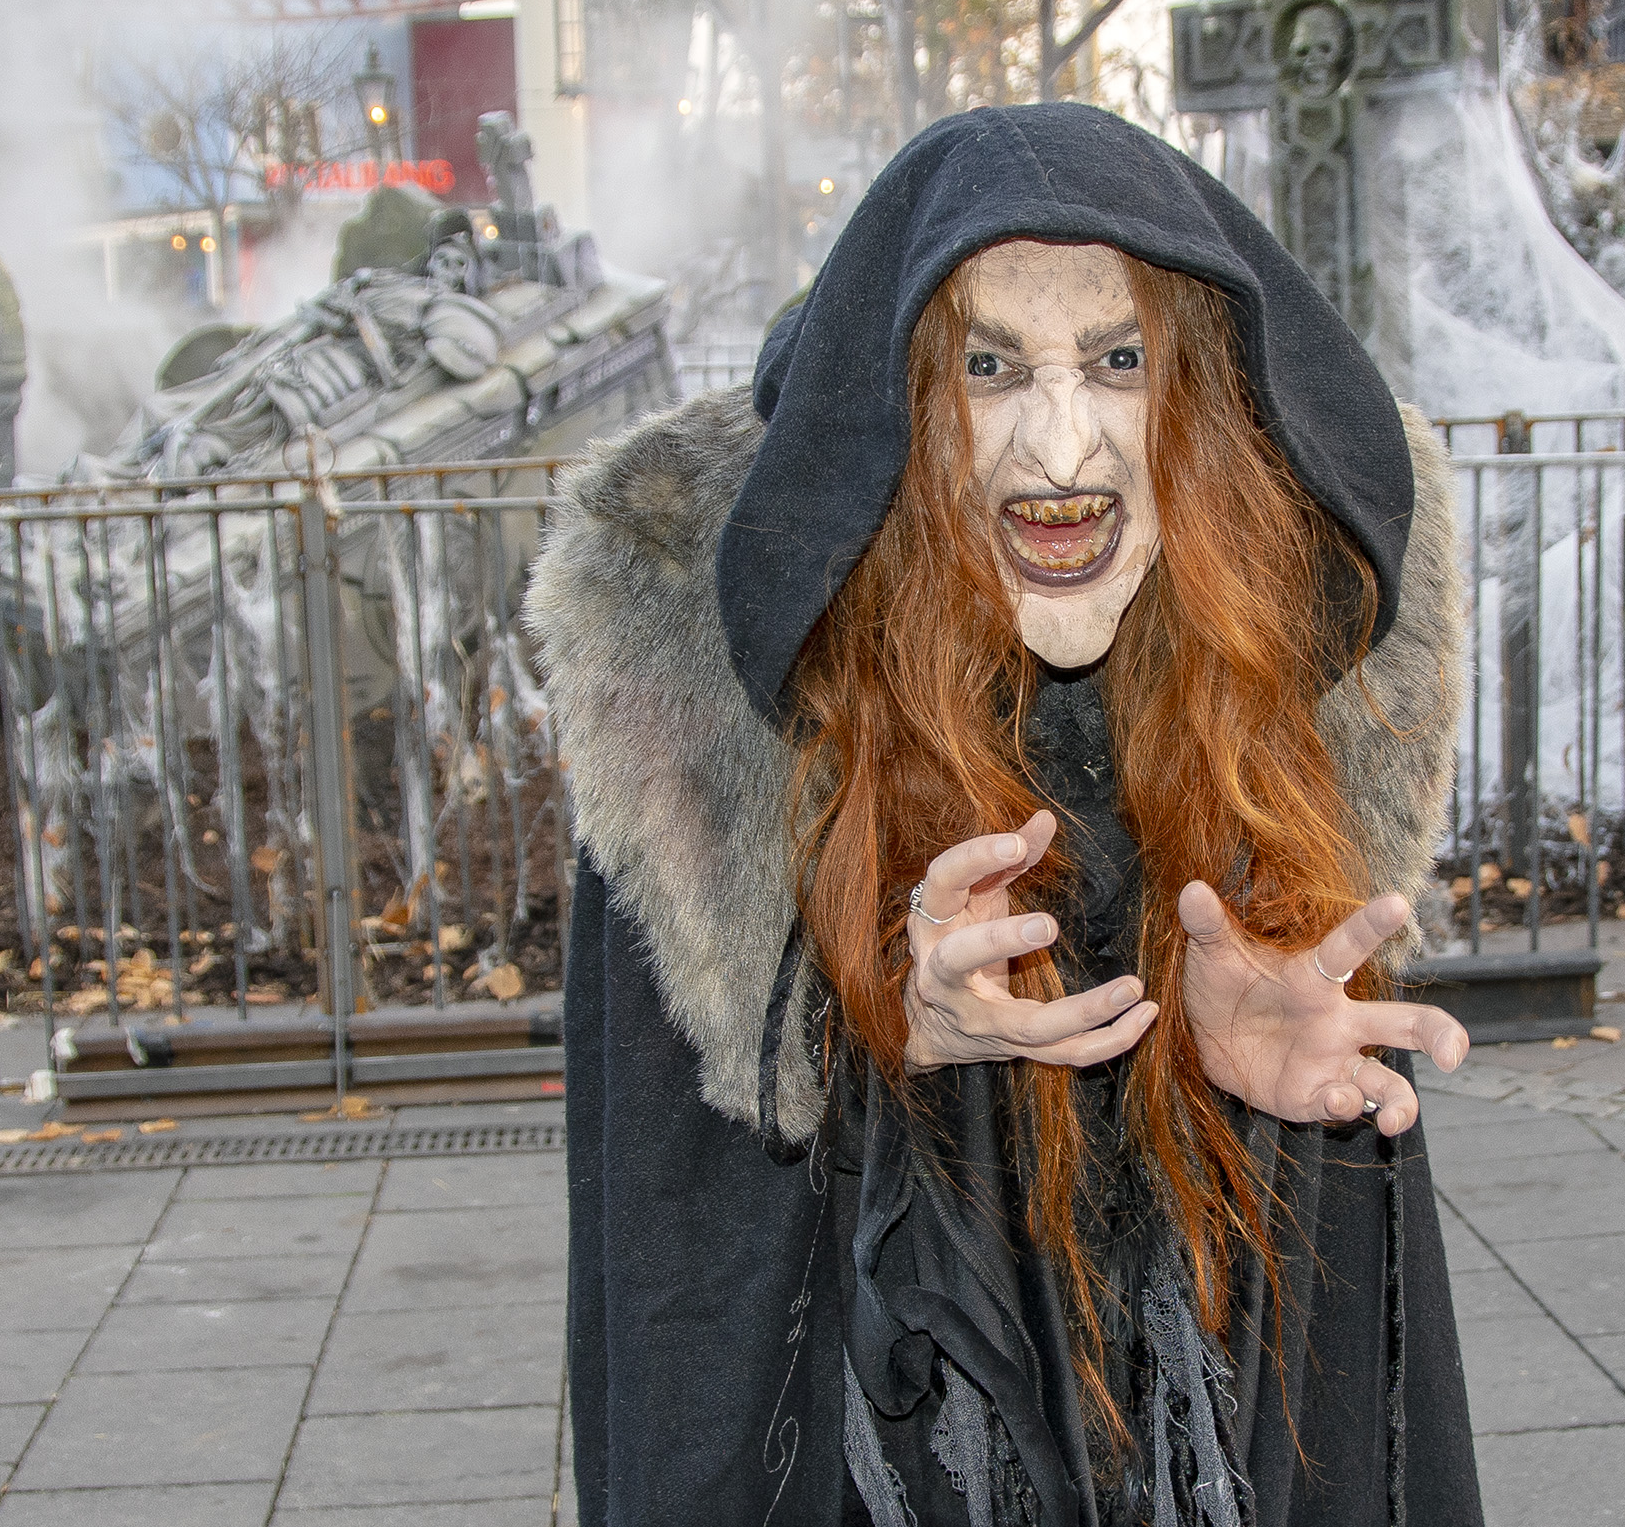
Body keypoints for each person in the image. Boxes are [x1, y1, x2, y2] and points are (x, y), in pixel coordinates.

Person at [531, 105, 1481, 1527]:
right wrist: (868, 1015)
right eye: (989, 366)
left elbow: (1340, 1389)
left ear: (1198, 388)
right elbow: (685, 1279)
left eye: (1116, 359)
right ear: (898, 398)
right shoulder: (715, 700)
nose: (1060, 447)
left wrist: (1263, 1097)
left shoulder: (1274, 676)